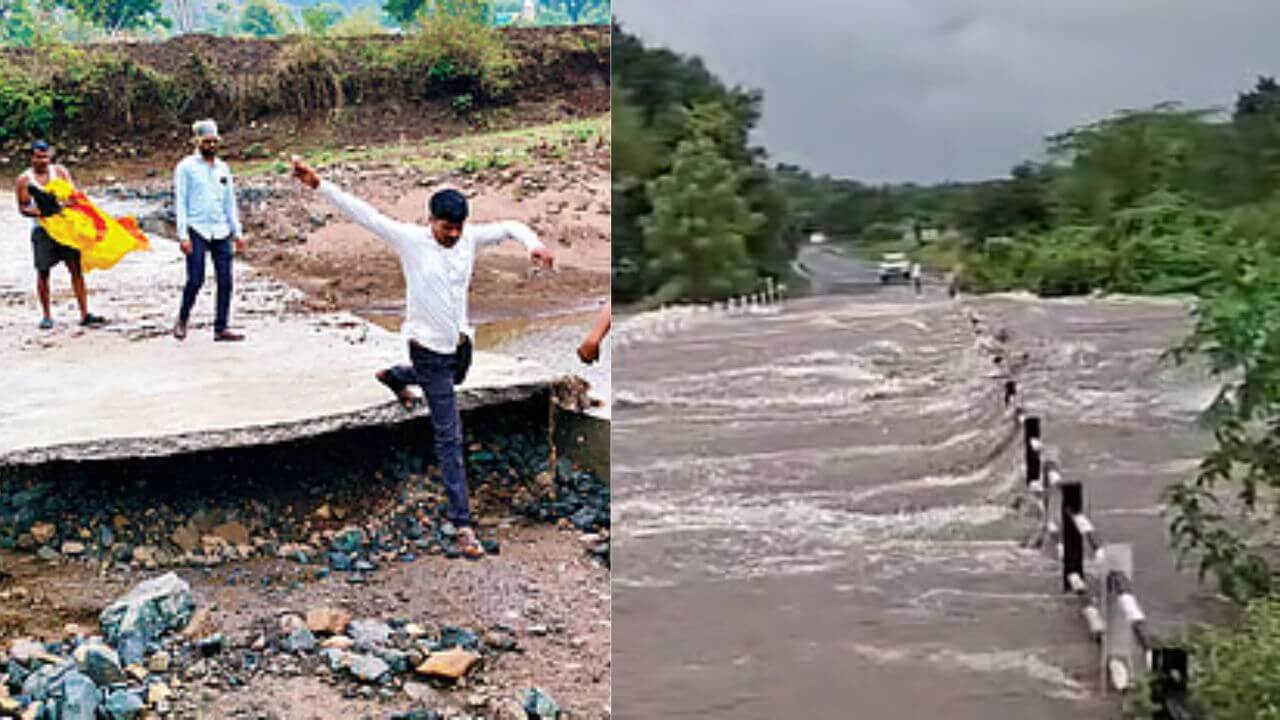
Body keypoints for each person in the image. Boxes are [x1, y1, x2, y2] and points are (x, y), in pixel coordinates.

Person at [290, 157, 555, 559]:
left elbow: (510, 226)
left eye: (458, 228)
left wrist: (533, 244)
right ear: (430, 220)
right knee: (449, 434)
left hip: (459, 342)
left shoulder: (468, 239)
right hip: (425, 344)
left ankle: (396, 376)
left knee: (454, 379)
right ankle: (462, 524)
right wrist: (319, 185)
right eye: (446, 228)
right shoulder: (409, 239)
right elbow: (364, 214)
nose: (452, 235)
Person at [16, 140, 106, 330]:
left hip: (65, 228)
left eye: (46, 156)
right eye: (39, 157)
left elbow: (74, 196)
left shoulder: (60, 173)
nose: (43, 161)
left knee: (75, 269)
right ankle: (46, 316)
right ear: (31, 157)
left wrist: (61, 206)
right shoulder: (25, 180)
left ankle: (84, 312)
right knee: (43, 272)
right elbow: (23, 207)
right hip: (41, 230)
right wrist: (40, 212)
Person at [173, 119, 246, 342]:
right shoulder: (186, 168)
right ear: (197, 141)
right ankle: (182, 319)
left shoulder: (223, 168)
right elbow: (181, 202)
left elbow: (229, 202)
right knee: (195, 279)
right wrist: (183, 235)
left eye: (215, 141)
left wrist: (237, 231)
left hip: (221, 228)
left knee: (226, 280)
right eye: (207, 141)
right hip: (197, 228)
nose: (211, 145)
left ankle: (221, 327)